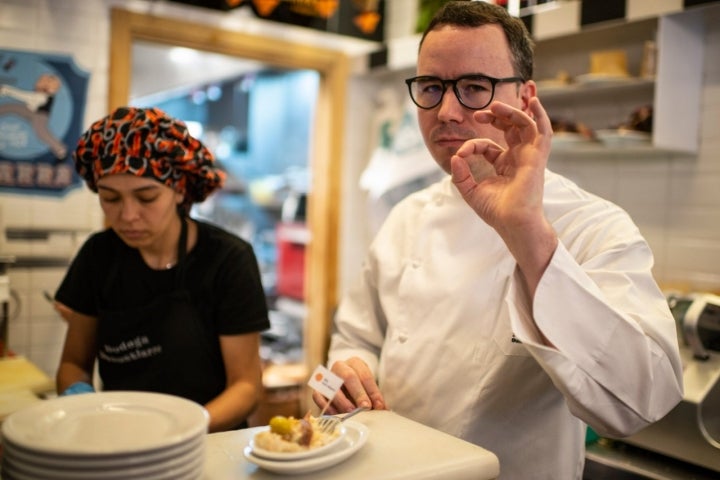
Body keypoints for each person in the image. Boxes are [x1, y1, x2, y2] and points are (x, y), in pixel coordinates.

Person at [314, 2, 684, 478]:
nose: (446, 111)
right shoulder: (406, 217)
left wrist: (528, 233)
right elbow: (354, 338)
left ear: (526, 99)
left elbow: (643, 402)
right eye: (431, 87)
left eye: (473, 87)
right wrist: (341, 376)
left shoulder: (592, 225)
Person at [54, 106, 270, 433]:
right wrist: (78, 396)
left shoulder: (227, 260)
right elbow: (73, 364)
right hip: (121, 439)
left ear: (179, 189)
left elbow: (246, 387)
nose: (127, 216)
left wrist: (177, 431)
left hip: (208, 443)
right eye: (110, 198)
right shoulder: (98, 256)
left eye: (146, 197)